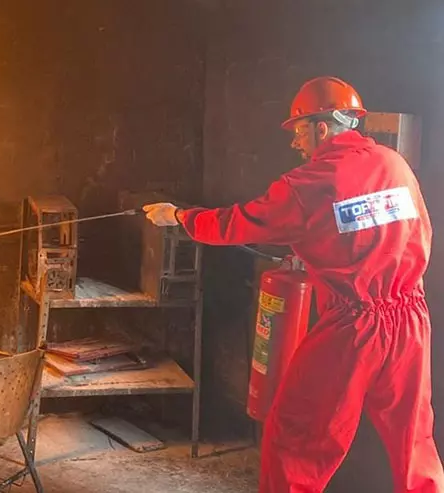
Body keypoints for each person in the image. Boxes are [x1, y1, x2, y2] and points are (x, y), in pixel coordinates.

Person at [143, 76, 444, 492]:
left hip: (352, 329)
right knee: (414, 441)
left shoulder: (308, 184)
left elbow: (236, 223)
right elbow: (415, 232)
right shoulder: (395, 164)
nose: (295, 142)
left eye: (299, 130)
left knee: (297, 438)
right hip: (410, 320)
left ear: (321, 127)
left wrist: (179, 216)